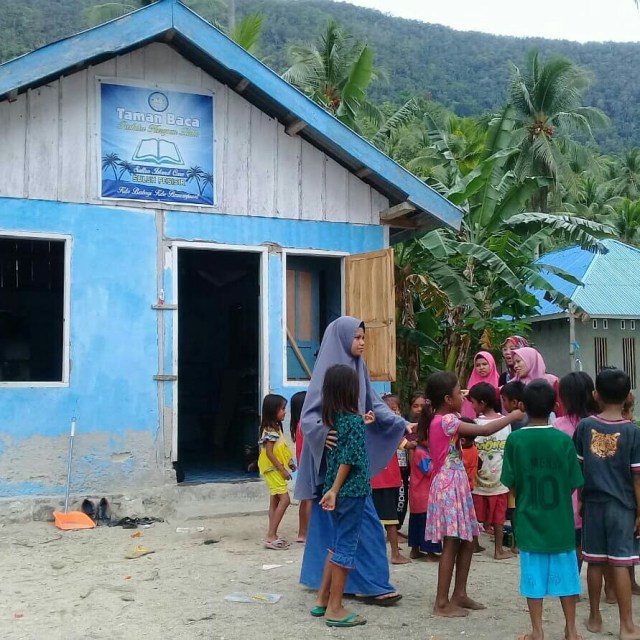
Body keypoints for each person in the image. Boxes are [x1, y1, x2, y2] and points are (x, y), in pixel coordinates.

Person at [296, 316, 412, 605]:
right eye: (357, 337)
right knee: (364, 526)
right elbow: (308, 416)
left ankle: (333, 591)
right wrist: (324, 433)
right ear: (342, 339)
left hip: (348, 470)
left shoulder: (359, 370)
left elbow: (374, 405)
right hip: (335, 467)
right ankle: (371, 585)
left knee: (341, 531)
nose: (361, 342)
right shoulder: (329, 373)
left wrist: (401, 423)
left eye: (363, 338)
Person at [422, 371, 524, 617]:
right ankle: (441, 602)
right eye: (459, 393)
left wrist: (460, 396)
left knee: (467, 540)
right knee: (452, 543)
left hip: (454, 484)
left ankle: (459, 593)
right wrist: (513, 415)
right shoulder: (446, 421)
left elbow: (463, 415)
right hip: (450, 485)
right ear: (447, 398)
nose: (464, 397)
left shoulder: (444, 417)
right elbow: (486, 430)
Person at [501, 379, 584, 640]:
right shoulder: (563, 441)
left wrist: (525, 497)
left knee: (533, 579)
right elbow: (573, 482)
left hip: (529, 519)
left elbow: (510, 483)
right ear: (555, 405)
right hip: (560, 521)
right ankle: (571, 629)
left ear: (523, 406)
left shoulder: (515, 440)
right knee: (568, 577)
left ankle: (538, 630)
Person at [574, 368, 640, 640]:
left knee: (595, 562)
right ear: (628, 397)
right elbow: (637, 478)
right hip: (622, 507)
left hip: (592, 504)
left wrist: (580, 500)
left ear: (595, 395)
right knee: (621, 563)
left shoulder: (585, 427)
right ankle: (627, 626)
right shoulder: (633, 432)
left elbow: (578, 471)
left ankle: (594, 617)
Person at [312, 364, 374, 628]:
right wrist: (336, 490)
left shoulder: (336, 419)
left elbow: (345, 447)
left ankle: (322, 600)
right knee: (346, 546)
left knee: (336, 544)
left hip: (336, 490)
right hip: (350, 491)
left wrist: (332, 489)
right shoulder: (352, 421)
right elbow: (349, 458)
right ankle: (336, 608)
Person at [553, 372, 597, 570]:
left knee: (573, 544)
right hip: (598, 490)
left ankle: (573, 586)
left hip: (569, 493)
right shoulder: (599, 424)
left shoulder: (557, 427)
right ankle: (611, 590)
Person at [469, 382, 515, 560]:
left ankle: (473, 545)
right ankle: (498, 550)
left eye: (473, 402)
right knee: (499, 517)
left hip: (478, 478)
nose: (471, 406)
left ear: (482, 403)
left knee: (474, 514)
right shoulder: (505, 423)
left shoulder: (475, 424)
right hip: (500, 478)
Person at [372, 394, 410, 564]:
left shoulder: (374, 430)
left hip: (378, 479)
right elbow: (408, 444)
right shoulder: (389, 432)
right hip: (386, 479)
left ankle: (381, 552)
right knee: (391, 519)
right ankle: (394, 553)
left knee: (378, 519)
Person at [258, 394, 295, 550]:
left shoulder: (276, 428)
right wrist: (282, 470)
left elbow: (282, 448)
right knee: (285, 500)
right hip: (272, 469)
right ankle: (271, 536)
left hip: (274, 468)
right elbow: (269, 453)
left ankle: (272, 533)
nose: (285, 412)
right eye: (282, 409)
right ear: (273, 410)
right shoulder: (270, 429)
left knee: (275, 500)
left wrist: (290, 462)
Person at [408, 418, 441, 561]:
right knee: (427, 525)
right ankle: (430, 552)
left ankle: (415, 550)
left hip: (418, 495)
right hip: (424, 496)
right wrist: (437, 458)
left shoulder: (419, 450)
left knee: (417, 524)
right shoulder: (422, 453)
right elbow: (428, 470)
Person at [382, 393, 412, 540]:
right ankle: (392, 532)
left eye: (394, 409)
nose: (392, 413)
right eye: (387, 410)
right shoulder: (386, 428)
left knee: (402, 500)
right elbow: (405, 443)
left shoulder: (403, 425)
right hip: (393, 470)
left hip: (403, 468)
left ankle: (396, 530)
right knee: (395, 502)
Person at [290, 390, 311, 543]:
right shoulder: (306, 424)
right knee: (310, 500)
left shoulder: (298, 424)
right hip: (309, 465)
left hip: (303, 465)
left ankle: (302, 532)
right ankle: (309, 532)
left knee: (304, 501)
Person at [462, 351, 500, 419]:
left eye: (484, 364)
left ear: (491, 364)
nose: (481, 367)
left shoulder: (500, 381)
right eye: (478, 365)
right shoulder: (472, 382)